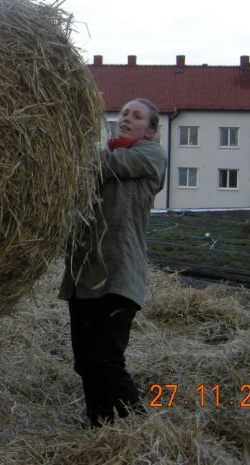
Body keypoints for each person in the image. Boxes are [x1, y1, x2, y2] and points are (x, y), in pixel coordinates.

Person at [58, 97, 167, 427]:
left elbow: (103, 165)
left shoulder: (150, 156)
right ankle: (99, 429)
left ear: (149, 131)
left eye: (136, 116)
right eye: (123, 113)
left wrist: (63, 144)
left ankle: (142, 429)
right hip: (84, 275)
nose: (126, 118)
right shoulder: (108, 155)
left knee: (106, 360)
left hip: (118, 275)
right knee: (86, 363)